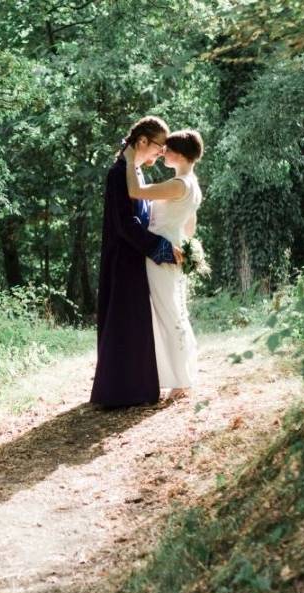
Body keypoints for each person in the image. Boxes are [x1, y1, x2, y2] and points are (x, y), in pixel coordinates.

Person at [89, 116, 180, 408]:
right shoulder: (119, 173)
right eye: (159, 147)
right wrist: (160, 247)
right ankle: (120, 391)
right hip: (123, 259)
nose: (161, 153)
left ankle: (135, 388)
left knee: (135, 322)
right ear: (142, 141)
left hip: (135, 256)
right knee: (124, 321)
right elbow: (126, 224)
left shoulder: (134, 171)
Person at [122, 129, 203, 401]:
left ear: (179, 154)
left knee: (169, 314)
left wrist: (130, 160)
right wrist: (183, 244)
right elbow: (190, 228)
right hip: (172, 248)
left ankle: (180, 380)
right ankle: (184, 375)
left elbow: (135, 191)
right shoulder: (193, 185)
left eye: (167, 149)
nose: (162, 152)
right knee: (175, 311)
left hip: (162, 253)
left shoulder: (178, 184)